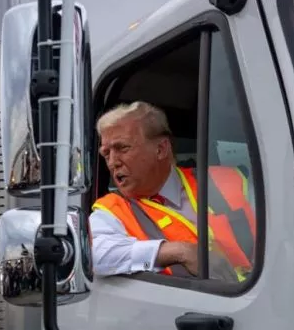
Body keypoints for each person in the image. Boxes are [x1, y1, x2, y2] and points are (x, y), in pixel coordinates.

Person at [89, 101, 255, 281]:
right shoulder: (112, 210)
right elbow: (93, 254)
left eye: (122, 148)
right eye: (106, 154)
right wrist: (179, 252)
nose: (113, 162)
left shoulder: (229, 180)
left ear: (161, 149)